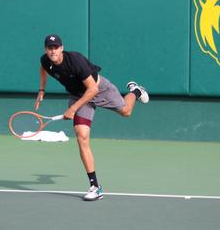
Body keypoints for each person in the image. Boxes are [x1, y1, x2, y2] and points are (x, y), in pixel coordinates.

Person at [35, 34, 149, 201]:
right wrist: (41, 90)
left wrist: (73, 109)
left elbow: (93, 89)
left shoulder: (75, 61)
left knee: (126, 112)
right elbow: (43, 69)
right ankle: (95, 186)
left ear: (61, 48)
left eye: (56, 47)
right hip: (78, 95)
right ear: (46, 49)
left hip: (98, 88)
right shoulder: (45, 61)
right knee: (82, 137)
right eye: (49, 48)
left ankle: (135, 91)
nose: (52, 51)